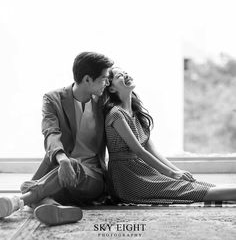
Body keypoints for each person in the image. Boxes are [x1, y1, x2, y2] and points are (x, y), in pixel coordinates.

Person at [0, 52, 113, 225]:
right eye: (104, 78)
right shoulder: (53, 99)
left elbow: (126, 100)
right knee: (37, 184)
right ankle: (53, 207)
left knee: (30, 187)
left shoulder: (104, 101)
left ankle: (18, 201)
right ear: (88, 79)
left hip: (92, 178)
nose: (107, 82)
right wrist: (63, 160)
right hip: (60, 171)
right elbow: (50, 132)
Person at [103, 67, 236, 204]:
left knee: (199, 185)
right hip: (128, 177)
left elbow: (151, 150)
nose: (125, 74)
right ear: (112, 89)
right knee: (191, 190)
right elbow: (139, 151)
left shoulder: (136, 112)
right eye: (120, 75)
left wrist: (178, 171)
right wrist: (171, 174)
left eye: (125, 72)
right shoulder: (116, 114)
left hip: (143, 170)